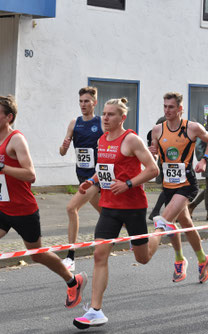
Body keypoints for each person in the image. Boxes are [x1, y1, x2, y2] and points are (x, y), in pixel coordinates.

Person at [0, 95, 86, 334]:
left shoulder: (17, 140)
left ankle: (73, 281)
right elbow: (1, 172)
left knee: (38, 255)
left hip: (23, 210)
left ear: (8, 117)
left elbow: (30, 174)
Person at [73, 98, 161, 329]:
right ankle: (95, 311)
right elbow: (103, 169)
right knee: (99, 255)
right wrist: (90, 182)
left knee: (142, 259)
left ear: (122, 118)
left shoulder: (131, 139)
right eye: (104, 113)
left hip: (133, 207)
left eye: (111, 114)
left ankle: (161, 230)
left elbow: (153, 169)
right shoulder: (102, 140)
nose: (105, 118)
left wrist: (129, 184)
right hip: (110, 207)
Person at [149, 92, 208, 283]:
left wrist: (204, 160)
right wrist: (151, 153)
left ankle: (178, 259)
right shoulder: (157, 130)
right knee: (185, 223)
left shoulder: (192, 128)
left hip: (187, 184)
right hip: (168, 185)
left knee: (163, 220)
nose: (167, 110)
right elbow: (154, 156)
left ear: (180, 109)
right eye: (165, 106)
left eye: (171, 107)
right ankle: (203, 259)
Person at [60, 87, 103, 271]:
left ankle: (70, 256)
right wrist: (64, 146)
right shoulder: (74, 123)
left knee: (71, 208)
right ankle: (134, 236)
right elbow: (62, 152)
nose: (83, 105)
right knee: (107, 212)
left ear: (94, 103)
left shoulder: (101, 122)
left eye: (87, 101)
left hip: (97, 176)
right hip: (82, 175)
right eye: (80, 101)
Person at [147, 116, 167, 221]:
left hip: (167, 164)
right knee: (168, 189)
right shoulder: (157, 133)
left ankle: (168, 213)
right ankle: (156, 211)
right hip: (164, 163)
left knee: (170, 189)